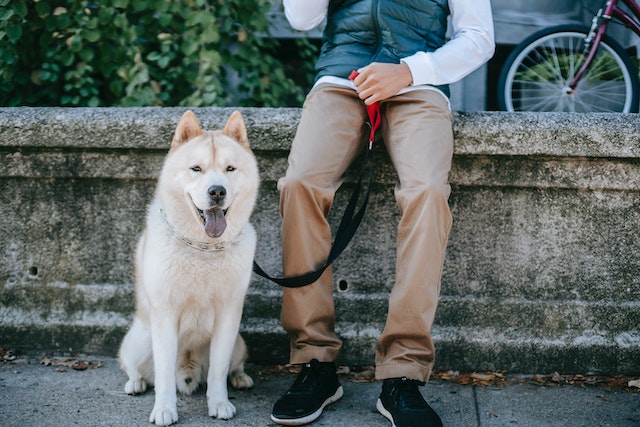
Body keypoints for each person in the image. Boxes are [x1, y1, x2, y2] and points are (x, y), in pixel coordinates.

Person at [271, 1, 494, 426]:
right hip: (339, 79)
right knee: (300, 185)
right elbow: (301, 18)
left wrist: (411, 70)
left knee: (427, 192)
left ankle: (403, 373)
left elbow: (480, 38)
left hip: (419, 86)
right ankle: (315, 362)